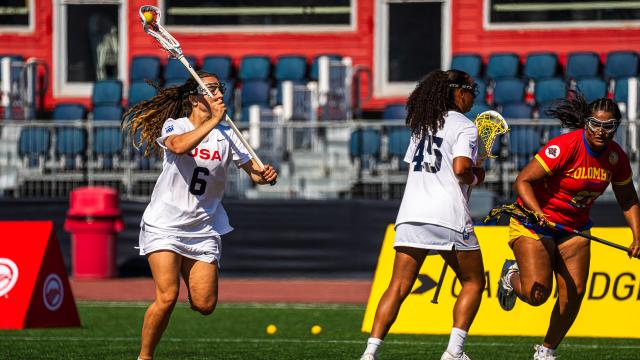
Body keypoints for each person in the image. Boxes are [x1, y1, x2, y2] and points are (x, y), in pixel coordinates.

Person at [122, 71, 278, 360]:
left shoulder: (228, 133)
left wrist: (265, 175)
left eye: (220, 89)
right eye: (212, 90)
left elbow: (254, 173)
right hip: (165, 224)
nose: (219, 94)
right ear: (194, 98)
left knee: (205, 304)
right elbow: (179, 146)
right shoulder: (175, 126)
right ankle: (144, 357)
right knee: (167, 296)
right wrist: (212, 122)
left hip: (203, 227)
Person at [497, 91, 640, 360]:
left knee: (574, 293)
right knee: (537, 294)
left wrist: (637, 236)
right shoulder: (565, 147)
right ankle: (510, 275)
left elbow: (628, 197)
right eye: (595, 124)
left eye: (608, 126)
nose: (601, 131)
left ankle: (546, 351)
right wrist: (538, 213)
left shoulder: (615, 158)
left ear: (616, 128)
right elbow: (523, 181)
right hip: (534, 223)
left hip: (574, 228)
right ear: (586, 122)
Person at [360, 69, 486, 360]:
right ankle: (453, 352)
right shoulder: (465, 126)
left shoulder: (423, 125)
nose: (472, 98)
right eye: (471, 92)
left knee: (398, 285)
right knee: (473, 282)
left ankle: (370, 353)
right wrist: (478, 176)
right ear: (458, 92)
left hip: (411, 213)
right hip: (447, 214)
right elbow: (461, 169)